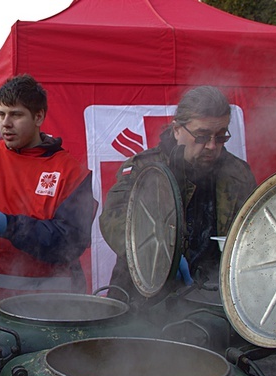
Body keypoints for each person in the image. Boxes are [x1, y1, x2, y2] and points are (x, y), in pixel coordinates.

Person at [0, 74, 96, 311]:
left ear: (39, 117)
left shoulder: (71, 172)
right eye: (2, 114)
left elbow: (72, 242)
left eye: (16, 114)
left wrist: (10, 226)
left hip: (48, 309)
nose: (6, 123)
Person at [99, 85, 256, 299]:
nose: (211, 146)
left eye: (220, 137)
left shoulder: (238, 174)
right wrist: (163, 254)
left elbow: (255, 233)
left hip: (211, 298)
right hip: (142, 299)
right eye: (201, 136)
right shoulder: (143, 169)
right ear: (177, 130)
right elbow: (113, 222)